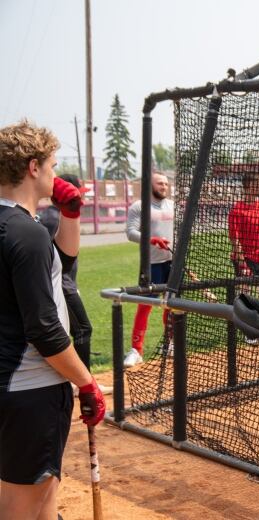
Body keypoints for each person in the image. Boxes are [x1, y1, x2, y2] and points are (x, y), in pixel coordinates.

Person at [0, 120, 105, 518]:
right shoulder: (26, 233)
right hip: (31, 390)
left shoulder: (18, 228)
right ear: (32, 168)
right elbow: (44, 330)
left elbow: (59, 267)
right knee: (22, 510)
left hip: (12, 389)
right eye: (52, 165)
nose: (55, 173)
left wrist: (70, 213)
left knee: (36, 504)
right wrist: (86, 381)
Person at [39, 174, 94, 371]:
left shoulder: (51, 214)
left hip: (64, 284)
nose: (82, 198)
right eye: (79, 192)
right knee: (83, 329)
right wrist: (68, 288)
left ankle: (76, 378)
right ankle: (83, 381)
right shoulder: (54, 218)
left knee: (70, 330)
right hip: (61, 285)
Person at [123, 172, 174, 367]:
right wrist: (151, 240)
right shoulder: (139, 206)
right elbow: (130, 233)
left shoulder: (172, 206)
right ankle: (137, 350)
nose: (164, 187)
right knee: (145, 305)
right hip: (151, 264)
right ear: (149, 185)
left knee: (171, 304)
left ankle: (169, 344)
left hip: (171, 262)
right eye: (160, 183)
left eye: (166, 184)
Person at [228, 172, 259, 300]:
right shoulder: (237, 210)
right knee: (244, 296)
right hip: (246, 259)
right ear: (249, 185)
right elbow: (234, 239)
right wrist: (242, 264)